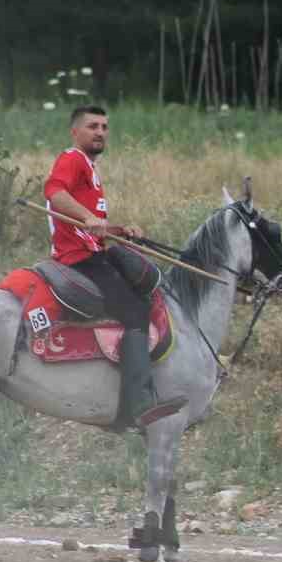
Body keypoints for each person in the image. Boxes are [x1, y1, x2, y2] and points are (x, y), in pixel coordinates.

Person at [44, 105, 184, 430]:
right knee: (135, 311)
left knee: (146, 291)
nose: (100, 132)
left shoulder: (91, 170)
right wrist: (88, 217)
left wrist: (118, 230)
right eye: (92, 126)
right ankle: (135, 409)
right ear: (75, 131)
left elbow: (92, 227)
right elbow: (53, 193)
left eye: (105, 127)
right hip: (76, 259)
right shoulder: (72, 159)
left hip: (93, 251)